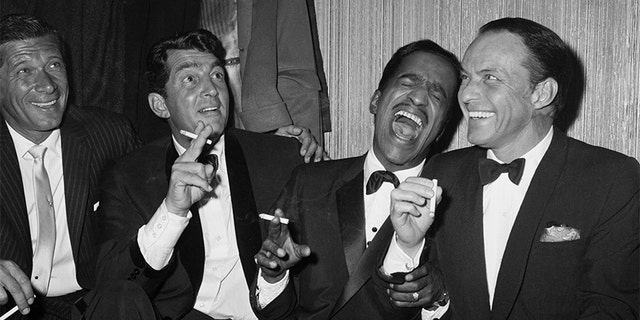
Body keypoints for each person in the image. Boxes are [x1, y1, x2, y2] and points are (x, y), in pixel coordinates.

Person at [405, 17, 639, 319]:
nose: (465, 95)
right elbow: (425, 292)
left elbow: (612, 308)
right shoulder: (442, 172)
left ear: (541, 94)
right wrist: (407, 248)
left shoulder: (611, 178)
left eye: (490, 77)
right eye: (466, 77)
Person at [95, 29, 308, 319]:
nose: (212, 89)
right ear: (160, 105)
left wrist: (274, 275)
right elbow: (115, 290)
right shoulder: (127, 176)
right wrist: (172, 212)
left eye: (218, 75)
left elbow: (312, 282)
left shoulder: (281, 156)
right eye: (190, 79)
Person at [252, 39, 461, 319]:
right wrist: (273, 275)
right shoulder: (309, 181)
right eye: (409, 82)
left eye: (437, 95)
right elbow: (273, 313)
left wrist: (438, 296)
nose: (420, 98)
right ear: (376, 100)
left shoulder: (457, 203)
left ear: (441, 130)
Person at [0, 14, 146, 319]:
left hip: (95, 303)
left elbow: (144, 235)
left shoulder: (110, 135)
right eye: (25, 70)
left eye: (54, 65)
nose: (47, 85)